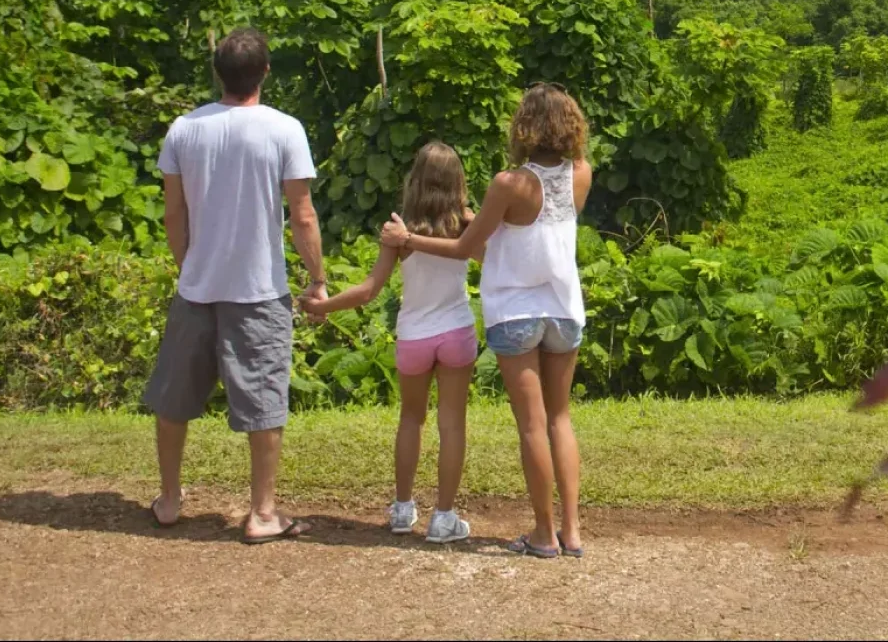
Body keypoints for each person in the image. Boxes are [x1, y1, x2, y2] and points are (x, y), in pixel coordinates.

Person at [382, 84, 592, 559]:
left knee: (532, 427)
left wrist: (408, 237)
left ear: (524, 127)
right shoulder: (582, 173)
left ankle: (542, 534)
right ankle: (572, 531)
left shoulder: (509, 183)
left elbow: (463, 247)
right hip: (564, 308)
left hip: (516, 312)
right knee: (560, 420)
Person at [145, 27, 326, 544]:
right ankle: (263, 511)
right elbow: (302, 214)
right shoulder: (284, 129)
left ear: (217, 72)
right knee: (265, 400)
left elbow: (173, 213)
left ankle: (170, 499)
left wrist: (189, 266)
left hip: (197, 287)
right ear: (265, 72)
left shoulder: (184, 129)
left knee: (175, 396)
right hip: (259, 288)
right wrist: (316, 278)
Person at [301, 142, 478, 544]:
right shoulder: (467, 225)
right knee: (452, 426)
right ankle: (444, 517)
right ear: (458, 182)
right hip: (457, 332)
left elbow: (369, 290)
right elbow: (490, 256)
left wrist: (326, 304)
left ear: (414, 180)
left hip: (413, 336)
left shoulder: (397, 231)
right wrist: (472, 217)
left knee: (410, 419)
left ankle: (402, 509)